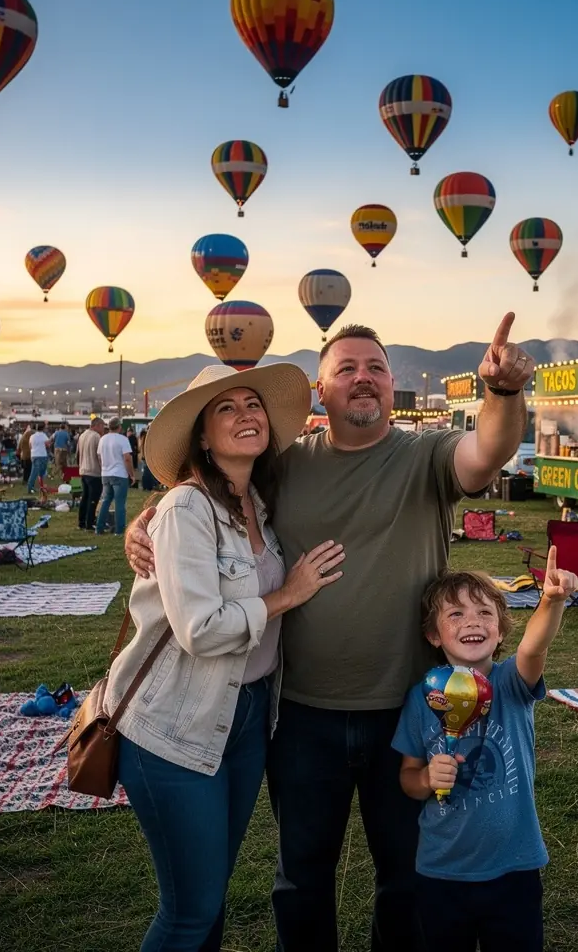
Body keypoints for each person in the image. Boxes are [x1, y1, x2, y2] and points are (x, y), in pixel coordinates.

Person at [127, 314, 535, 951]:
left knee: (405, 875)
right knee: (302, 876)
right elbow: (209, 488)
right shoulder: (287, 466)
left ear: (392, 385)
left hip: (407, 708)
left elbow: (488, 451)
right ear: (321, 390)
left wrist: (503, 394)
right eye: (346, 368)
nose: (362, 379)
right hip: (300, 714)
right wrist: (151, 518)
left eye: (375, 367)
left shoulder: (424, 455)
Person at [106, 362, 345, 951]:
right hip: (176, 723)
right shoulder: (187, 509)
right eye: (226, 408)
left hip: (247, 718)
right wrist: (288, 593)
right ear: (203, 438)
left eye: (253, 404)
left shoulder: (259, 504)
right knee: (189, 912)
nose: (246, 415)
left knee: (209, 896)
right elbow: (199, 630)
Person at [394, 558, 578, 952]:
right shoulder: (421, 697)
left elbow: (534, 647)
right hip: (442, 872)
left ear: (499, 631)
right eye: (455, 614)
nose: (472, 621)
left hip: (514, 867)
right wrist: (426, 779)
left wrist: (551, 601)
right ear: (433, 634)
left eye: (483, 612)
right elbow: (408, 777)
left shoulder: (512, 681)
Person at [96, 418, 136, 535]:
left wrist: (104, 468)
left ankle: (99, 528)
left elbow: (99, 457)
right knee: (120, 503)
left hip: (105, 473)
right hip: (119, 474)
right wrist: (132, 474)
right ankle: (119, 530)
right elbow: (127, 458)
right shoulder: (123, 439)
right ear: (119, 427)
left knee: (106, 501)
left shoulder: (102, 439)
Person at [77, 419, 106, 531]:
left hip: (83, 470)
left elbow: (78, 453)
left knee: (85, 497)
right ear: (97, 425)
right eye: (102, 426)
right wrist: (103, 468)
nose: (103, 429)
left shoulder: (82, 435)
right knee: (93, 499)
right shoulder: (96, 437)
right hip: (94, 471)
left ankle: (81, 521)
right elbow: (99, 455)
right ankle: (90, 522)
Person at [27, 424, 50, 494]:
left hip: (34, 455)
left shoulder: (32, 436)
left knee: (34, 472)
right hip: (42, 455)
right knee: (41, 473)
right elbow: (48, 445)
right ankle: (31, 488)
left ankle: (36, 487)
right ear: (43, 429)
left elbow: (30, 446)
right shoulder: (44, 436)